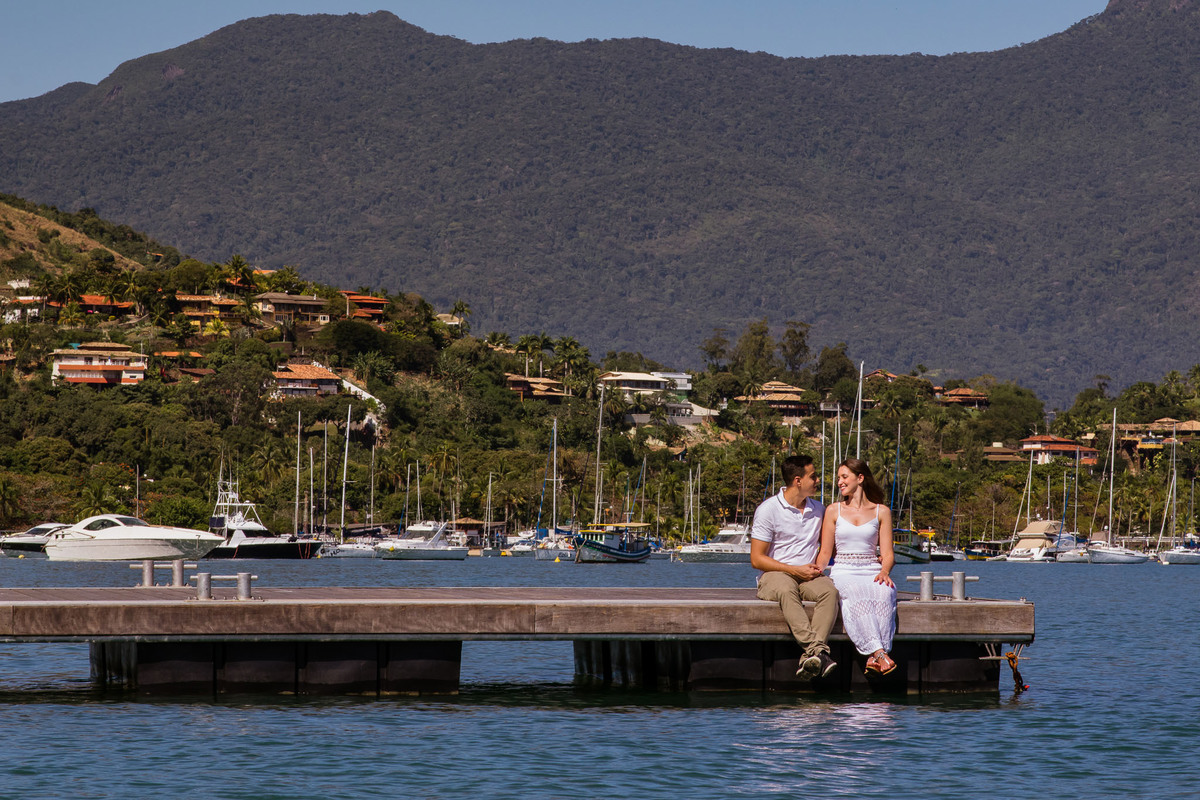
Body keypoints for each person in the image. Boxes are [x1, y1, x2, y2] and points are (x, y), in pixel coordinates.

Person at [750, 454, 839, 680]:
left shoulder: (819, 509)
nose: (818, 480)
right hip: (775, 574)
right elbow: (757, 559)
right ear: (798, 481)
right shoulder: (768, 509)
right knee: (786, 588)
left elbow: (831, 548)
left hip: (808, 575)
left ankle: (812, 657)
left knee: (830, 591)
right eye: (813, 476)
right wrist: (794, 570)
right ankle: (818, 651)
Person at [817, 457, 898, 675]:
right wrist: (817, 570)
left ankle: (875, 657)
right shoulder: (833, 510)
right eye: (838, 478)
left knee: (885, 591)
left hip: (872, 568)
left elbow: (888, 554)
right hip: (844, 570)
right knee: (855, 592)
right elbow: (825, 553)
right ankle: (880, 653)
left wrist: (885, 571)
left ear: (860, 478)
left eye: (844, 477)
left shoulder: (882, 511)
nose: (840, 482)